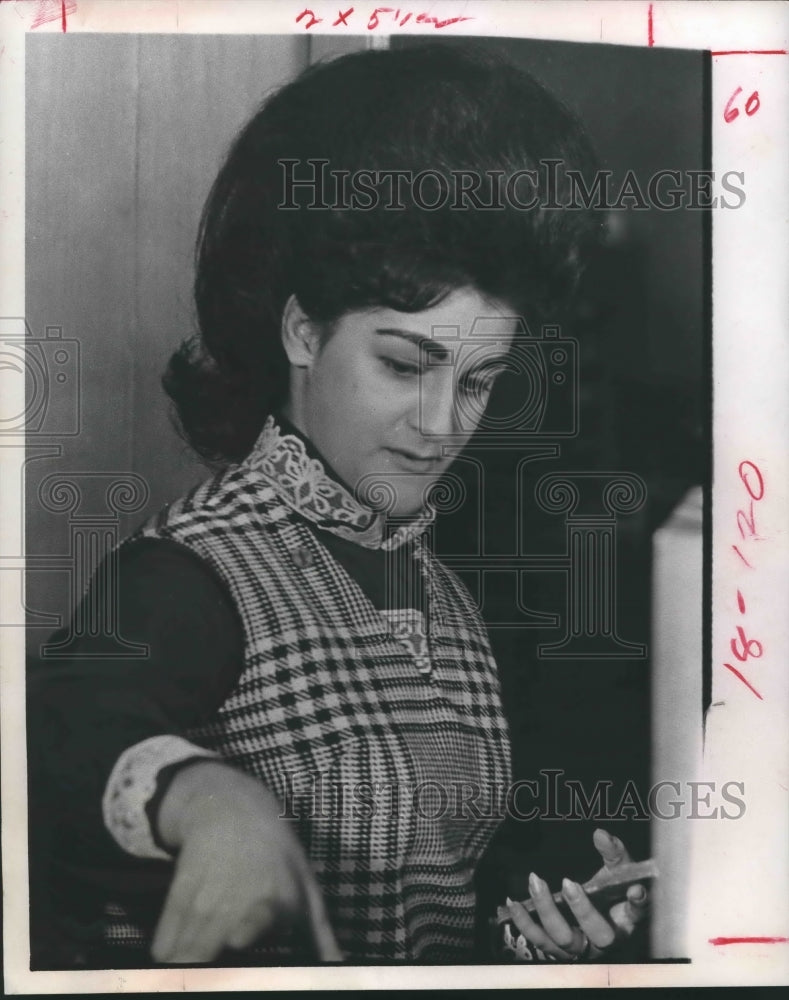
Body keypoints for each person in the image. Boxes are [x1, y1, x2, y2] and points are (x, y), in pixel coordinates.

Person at [27, 42, 649, 967]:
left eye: (479, 380)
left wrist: (531, 943)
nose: (441, 426)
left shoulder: (449, 598)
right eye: (404, 365)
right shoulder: (192, 569)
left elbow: (408, 919)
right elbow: (58, 731)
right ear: (301, 329)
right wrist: (207, 799)